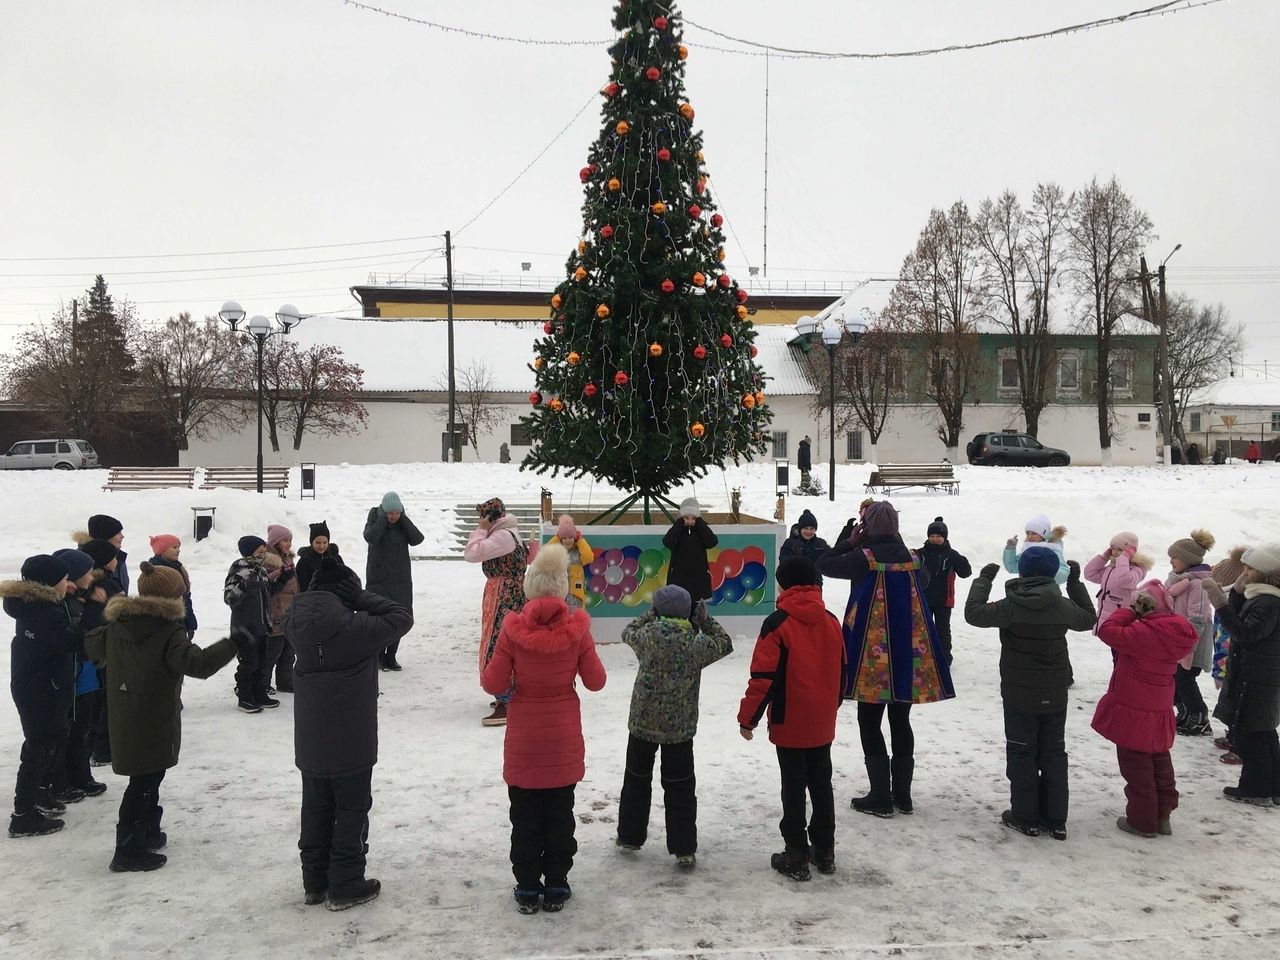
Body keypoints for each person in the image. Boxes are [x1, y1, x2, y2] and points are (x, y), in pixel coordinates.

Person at [84, 561, 238, 872]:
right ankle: (127, 849)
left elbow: (91, 645)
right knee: (145, 781)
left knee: (146, 776)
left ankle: (147, 833)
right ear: (172, 598)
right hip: (154, 715)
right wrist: (235, 643)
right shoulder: (168, 629)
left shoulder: (118, 623)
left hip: (126, 713)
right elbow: (197, 664)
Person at [480, 543, 607, 915]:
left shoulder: (512, 632)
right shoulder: (578, 630)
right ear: (562, 588)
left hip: (524, 739)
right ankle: (556, 882)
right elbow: (596, 681)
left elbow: (492, 683)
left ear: (530, 587)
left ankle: (526, 886)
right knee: (559, 815)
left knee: (524, 818)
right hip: (562, 737)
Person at [282, 557, 413, 911]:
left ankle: (315, 881)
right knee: (351, 810)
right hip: (352, 739)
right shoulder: (357, 628)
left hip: (310, 738)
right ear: (346, 592)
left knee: (316, 807)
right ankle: (346, 882)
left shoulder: (295, 623)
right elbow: (402, 617)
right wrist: (362, 598)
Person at [817, 500, 954, 818]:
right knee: (901, 720)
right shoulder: (914, 558)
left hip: (871, 655)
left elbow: (823, 563)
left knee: (869, 721)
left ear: (867, 528)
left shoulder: (862, 558)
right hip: (908, 653)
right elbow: (929, 582)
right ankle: (902, 796)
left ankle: (880, 795)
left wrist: (849, 541)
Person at [964, 549, 1096, 840]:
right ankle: (1055, 819)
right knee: (1053, 753)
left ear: (1022, 572)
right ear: (1052, 574)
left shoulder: (1011, 606)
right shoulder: (1061, 606)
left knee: (1022, 751)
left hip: (1018, 693)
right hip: (1054, 692)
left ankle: (1026, 817)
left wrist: (984, 579)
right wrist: (1074, 583)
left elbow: (973, 614)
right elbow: (1088, 618)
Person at [738, 557, 845, 882]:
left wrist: (748, 718)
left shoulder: (777, 623)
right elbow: (843, 670)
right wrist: (830, 706)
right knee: (822, 784)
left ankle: (796, 853)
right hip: (822, 720)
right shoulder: (830, 620)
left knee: (794, 787)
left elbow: (763, 677)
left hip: (789, 720)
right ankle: (824, 850)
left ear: (784, 584)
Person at [616, 584, 732, 869]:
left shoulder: (646, 636)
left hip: (642, 724)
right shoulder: (696, 643)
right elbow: (725, 643)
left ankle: (630, 836)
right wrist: (705, 620)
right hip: (680, 730)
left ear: (658, 610)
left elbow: (627, 630)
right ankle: (683, 847)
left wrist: (649, 614)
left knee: (636, 780)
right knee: (680, 787)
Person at [1093, 581, 1199, 838]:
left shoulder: (1143, 634)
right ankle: (1163, 816)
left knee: (1136, 766)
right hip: (1159, 708)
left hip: (1134, 708)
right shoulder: (1176, 630)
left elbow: (1107, 630)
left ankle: (1142, 821)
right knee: (1159, 761)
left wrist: (1130, 610)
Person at [3, 555, 79, 838]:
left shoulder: (31, 606)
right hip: (41, 688)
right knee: (38, 745)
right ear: (49, 582)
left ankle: (40, 793)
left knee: (52, 737)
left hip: (36, 685)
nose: (68, 583)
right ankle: (23, 814)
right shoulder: (45, 612)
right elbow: (70, 641)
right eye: (64, 579)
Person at [1203, 544, 1280, 806]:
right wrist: (1236, 594)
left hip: (1257, 676)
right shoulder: (1264, 596)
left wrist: (1221, 603)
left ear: (1264, 572)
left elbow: (1244, 633)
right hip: (1261, 674)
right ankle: (1274, 788)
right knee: (1264, 732)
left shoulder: (1268, 602)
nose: (1244, 573)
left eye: (1249, 569)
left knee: (1251, 734)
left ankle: (1255, 790)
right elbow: (1244, 622)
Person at [50, 548, 108, 804]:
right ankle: (63, 781)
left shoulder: (79, 598)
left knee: (82, 730)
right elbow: (83, 635)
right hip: (74, 679)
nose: (91, 575)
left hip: (87, 676)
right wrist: (95, 607)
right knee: (71, 732)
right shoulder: (67, 604)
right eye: (87, 572)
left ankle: (81, 776)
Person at [465, 497, 527, 727]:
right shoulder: (508, 532)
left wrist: (480, 532)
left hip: (504, 596)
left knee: (499, 643)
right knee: (502, 641)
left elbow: (471, 553)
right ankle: (505, 692)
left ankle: (506, 698)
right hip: (506, 593)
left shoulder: (502, 536)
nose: (479, 521)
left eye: (482, 517)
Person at [363, 492, 424, 672]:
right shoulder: (375, 519)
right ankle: (380, 655)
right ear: (383, 511)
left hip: (401, 580)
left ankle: (392, 655)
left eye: (397, 513)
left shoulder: (401, 523)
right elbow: (371, 537)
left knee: (400, 617)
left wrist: (404, 519)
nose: (394, 517)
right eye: (391, 513)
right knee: (380, 619)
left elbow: (418, 539)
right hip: (379, 580)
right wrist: (382, 519)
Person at [1164, 530, 1216, 736]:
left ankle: (1199, 716)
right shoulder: (1178, 580)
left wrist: (1187, 644)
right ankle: (1185, 712)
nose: (1170, 562)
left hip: (1194, 643)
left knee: (1185, 679)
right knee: (1176, 678)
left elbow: (1199, 618)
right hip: (1179, 641)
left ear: (1188, 560)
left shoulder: (1198, 584)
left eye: (1174, 557)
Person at [224, 536, 281, 713]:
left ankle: (259, 692)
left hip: (262, 624)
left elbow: (265, 595)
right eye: (260, 552)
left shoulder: (260, 570)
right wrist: (245, 585)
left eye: (264, 551)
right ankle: (245, 696)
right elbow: (229, 597)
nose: (263, 554)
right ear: (249, 552)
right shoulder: (239, 570)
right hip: (245, 626)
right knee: (249, 662)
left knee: (262, 661)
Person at [1210, 547, 1247, 763]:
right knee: (1230, 701)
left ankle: (1238, 739)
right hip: (1227, 665)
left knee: (1235, 701)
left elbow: (1226, 643)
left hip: (1232, 667)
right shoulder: (1228, 603)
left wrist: (1220, 671)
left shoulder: (1231, 606)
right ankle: (1233, 733)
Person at [919, 517, 972, 666]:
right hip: (924, 599)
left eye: (938, 536)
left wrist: (962, 562)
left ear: (945, 537)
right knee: (924, 630)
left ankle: (944, 660)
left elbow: (965, 573)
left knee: (943, 631)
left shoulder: (952, 555)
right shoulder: (920, 554)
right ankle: (923, 657)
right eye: (932, 536)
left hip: (944, 600)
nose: (935, 539)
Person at [1083, 532, 1150, 638]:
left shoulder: (1137, 569)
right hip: (1106, 617)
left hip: (1121, 620)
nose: (1114, 552)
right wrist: (1104, 557)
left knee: (1119, 649)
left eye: (1120, 549)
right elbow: (1090, 574)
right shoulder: (1112, 568)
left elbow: (1125, 580)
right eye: (1113, 548)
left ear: (1131, 551)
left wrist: (1123, 558)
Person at [264, 524, 299, 694]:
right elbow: (267, 586)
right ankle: (263, 682)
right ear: (276, 542)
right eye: (285, 540)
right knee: (273, 650)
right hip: (275, 610)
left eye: (290, 540)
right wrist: (278, 576)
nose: (288, 543)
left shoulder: (289, 559)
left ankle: (285, 681)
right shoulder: (269, 561)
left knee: (288, 650)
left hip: (290, 610)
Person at [663, 498, 718, 602]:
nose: (690, 521)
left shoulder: (700, 530)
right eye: (686, 517)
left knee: (697, 610)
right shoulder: (678, 529)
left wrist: (700, 524)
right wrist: (679, 524)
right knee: (679, 608)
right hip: (679, 577)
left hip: (699, 577)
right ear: (681, 517)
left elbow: (712, 542)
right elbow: (668, 542)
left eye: (693, 518)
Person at [147, 535, 197, 640]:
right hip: (161, 625)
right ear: (162, 550)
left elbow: (186, 598)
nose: (178, 550)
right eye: (174, 547)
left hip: (180, 623)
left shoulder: (179, 568)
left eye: (178, 547)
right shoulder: (153, 570)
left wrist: (190, 623)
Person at [1002, 514, 1068, 585]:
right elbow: (1013, 567)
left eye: (1034, 533)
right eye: (1027, 533)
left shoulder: (1053, 550)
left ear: (1043, 535)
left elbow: (1064, 573)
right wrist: (1010, 549)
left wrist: (1046, 572)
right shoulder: (1027, 550)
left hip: (1047, 591)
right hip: (1026, 590)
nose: (1030, 536)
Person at [554, 515, 594, 610]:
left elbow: (589, 557)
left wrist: (580, 540)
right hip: (559, 596)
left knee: (576, 622)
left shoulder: (578, 552)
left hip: (576, 597)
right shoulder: (557, 551)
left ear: (575, 537)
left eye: (571, 537)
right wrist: (557, 537)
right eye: (564, 537)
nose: (568, 541)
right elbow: (545, 553)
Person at [778, 510, 830, 580]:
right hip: (793, 583)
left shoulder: (820, 544)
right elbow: (783, 562)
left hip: (814, 583)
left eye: (812, 529)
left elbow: (830, 560)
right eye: (806, 528)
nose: (809, 531)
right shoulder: (790, 543)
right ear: (800, 529)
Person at [295, 522, 342, 594]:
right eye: (318, 543)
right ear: (312, 542)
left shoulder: (335, 557)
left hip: (335, 599)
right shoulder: (305, 560)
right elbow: (301, 587)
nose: (321, 546)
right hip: (313, 600)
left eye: (325, 542)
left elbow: (344, 577)